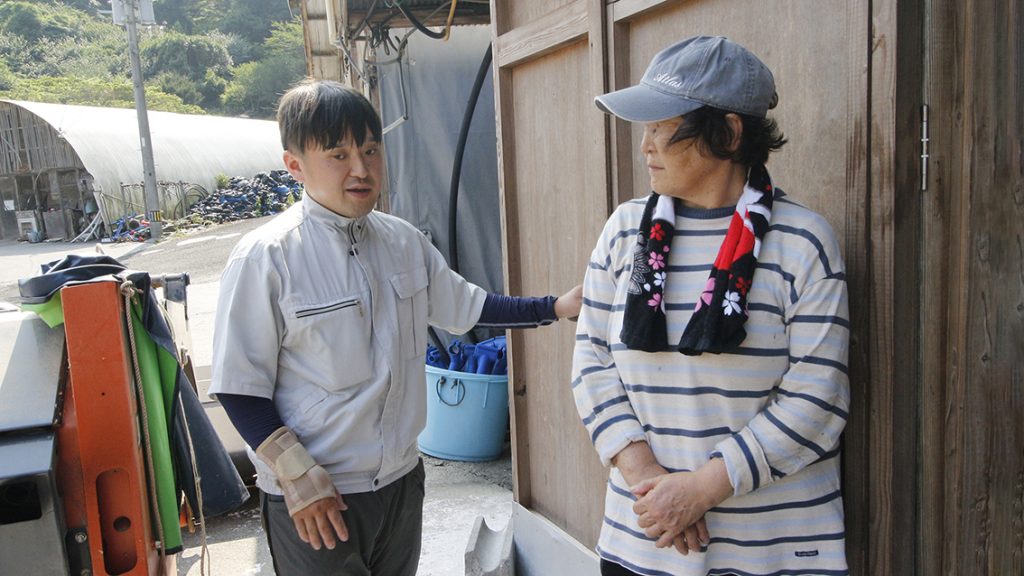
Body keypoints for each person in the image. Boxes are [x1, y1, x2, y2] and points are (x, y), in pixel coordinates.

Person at [210, 79, 582, 576]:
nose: (361, 169)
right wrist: (298, 477)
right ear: (295, 165)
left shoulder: (403, 241)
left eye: (370, 150)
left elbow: (469, 305)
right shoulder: (266, 258)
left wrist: (555, 306)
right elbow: (240, 388)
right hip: (321, 496)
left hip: (401, 482)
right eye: (338, 155)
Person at [572, 36, 850, 576]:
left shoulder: (803, 242)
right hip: (644, 538)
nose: (645, 145)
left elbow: (818, 400)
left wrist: (701, 490)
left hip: (773, 551)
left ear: (727, 131)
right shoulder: (624, 232)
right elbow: (591, 364)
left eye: (661, 125)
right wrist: (649, 479)